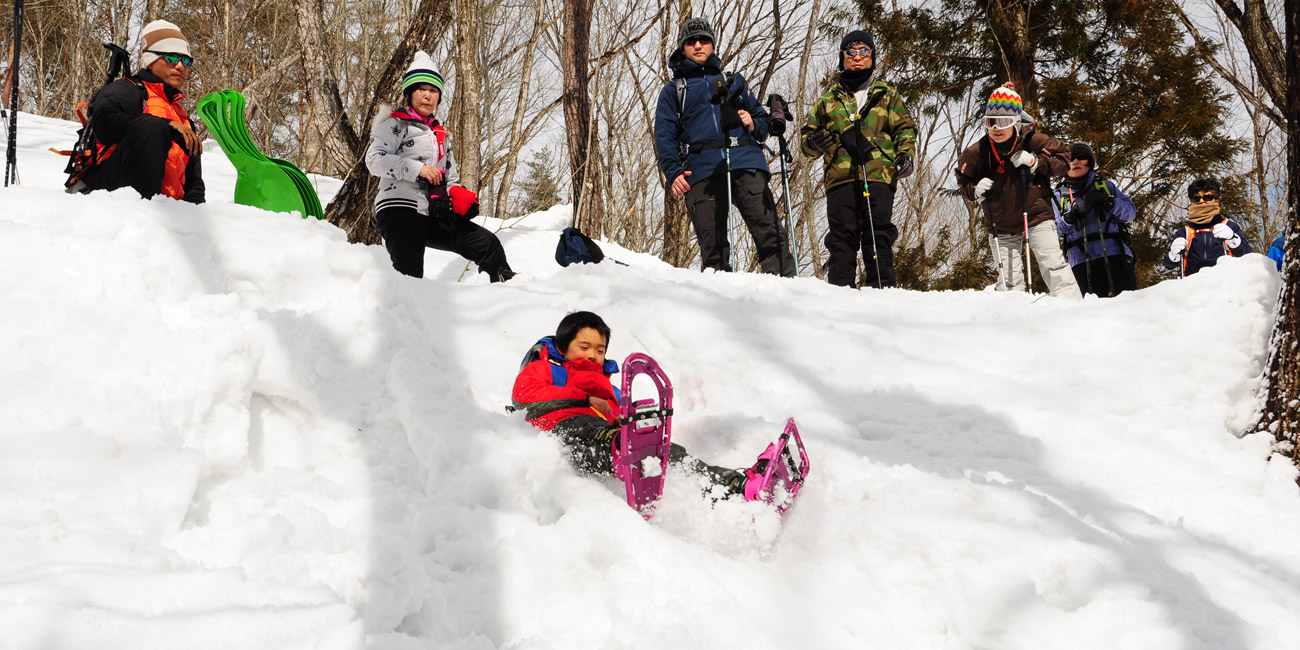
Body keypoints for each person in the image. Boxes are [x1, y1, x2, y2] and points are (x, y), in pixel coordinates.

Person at [511, 311, 758, 498]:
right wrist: (584, 398)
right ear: (563, 348)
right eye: (583, 347)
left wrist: (638, 419)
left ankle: (727, 484)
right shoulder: (547, 369)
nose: (592, 355)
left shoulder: (609, 388)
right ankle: (623, 451)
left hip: (608, 440)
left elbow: (623, 415)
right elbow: (523, 394)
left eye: (599, 350)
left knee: (662, 449)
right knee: (597, 433)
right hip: (564, 432)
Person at [653, 18, 796, 276]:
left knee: (769, 231)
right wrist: (673, 172)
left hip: (746, 159)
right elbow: (665, 135)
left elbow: (762, 125)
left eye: (704, 40)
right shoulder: (674, 90)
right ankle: (721, 302)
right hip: (702, 168)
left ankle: (787, 290)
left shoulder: (733, 80)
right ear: (682, 47)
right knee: (713, 244)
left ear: (713, 45)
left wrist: (753, 122)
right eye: (691, 41)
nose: (698, 45)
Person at [365, 51, 514, 281]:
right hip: (399, 208)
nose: (427, 96)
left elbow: (450, 177)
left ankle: (506, 295)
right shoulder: (395, 124)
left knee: (487, 244)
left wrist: (459, 194)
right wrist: (419, 169)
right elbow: (374, 159)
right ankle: (404, 313)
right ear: (409, 93)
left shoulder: (440, 134)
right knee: (410, 276)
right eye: (421, 89)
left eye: (433, 90)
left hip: (435, 210)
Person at [799, 30, 917, 288]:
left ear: (873, 58)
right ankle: (840, 293)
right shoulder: (827, 101)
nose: (857, 57)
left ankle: (883, 289)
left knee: (877, 233)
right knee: (842, 236)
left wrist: (905, 154)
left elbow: (905, 128)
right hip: (839, 177)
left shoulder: (886, 94)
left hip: (878, 174)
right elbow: (806, 140)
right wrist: (813, 142)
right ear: (842, 58)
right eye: (850, 52)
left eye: (864, 52)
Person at [954, 83, 1081, 299]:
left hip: (1036, 215)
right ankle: (1015, 323)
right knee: (1009, 281)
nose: (996, 128)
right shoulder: (978, 151)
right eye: (990, 122)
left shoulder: (1032, 140)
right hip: (1000, 223)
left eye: (1003, 122)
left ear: (1015, 122)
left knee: (1054, 265)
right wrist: (975, 189)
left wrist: (1036, 162)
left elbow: (1066, 158)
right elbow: (963, 178)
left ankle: (1071, 309)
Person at [78, 20, 204, 203]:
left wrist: (193, 217)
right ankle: (146, 209)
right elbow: (103, 124)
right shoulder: (127, 90)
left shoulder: (182, 119)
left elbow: (194, 182)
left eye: (186, 60)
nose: (180, 66)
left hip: (169, 211)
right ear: (151, 61)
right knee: (152, 126)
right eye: (171, 57)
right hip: (107, 192)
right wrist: (166, 125)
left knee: (181, 134)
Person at [1051, 143, 1137, 297]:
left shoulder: (1106, 186)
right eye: (1071, 158)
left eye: (1081, 157)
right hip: (1080, 261)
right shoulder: (1058, 195)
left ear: (1089, 162)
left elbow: (1130, 213)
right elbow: (1052, 231)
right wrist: (1071, 215)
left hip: (1116, 255)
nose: (1076, 161)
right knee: (1091, 313)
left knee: (1128, 305)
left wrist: (1110, 203)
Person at [1162, 178, 1252, 277]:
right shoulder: (1185, 232)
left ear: (1216, 200)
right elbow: (1168, 264)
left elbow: (1246, 255)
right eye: (1196, 198)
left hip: (1225, 286)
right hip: (1193, 287)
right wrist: (1173, 254)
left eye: (1207, 197)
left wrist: (1232, 239)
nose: (1201, 201)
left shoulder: (1229, 226)